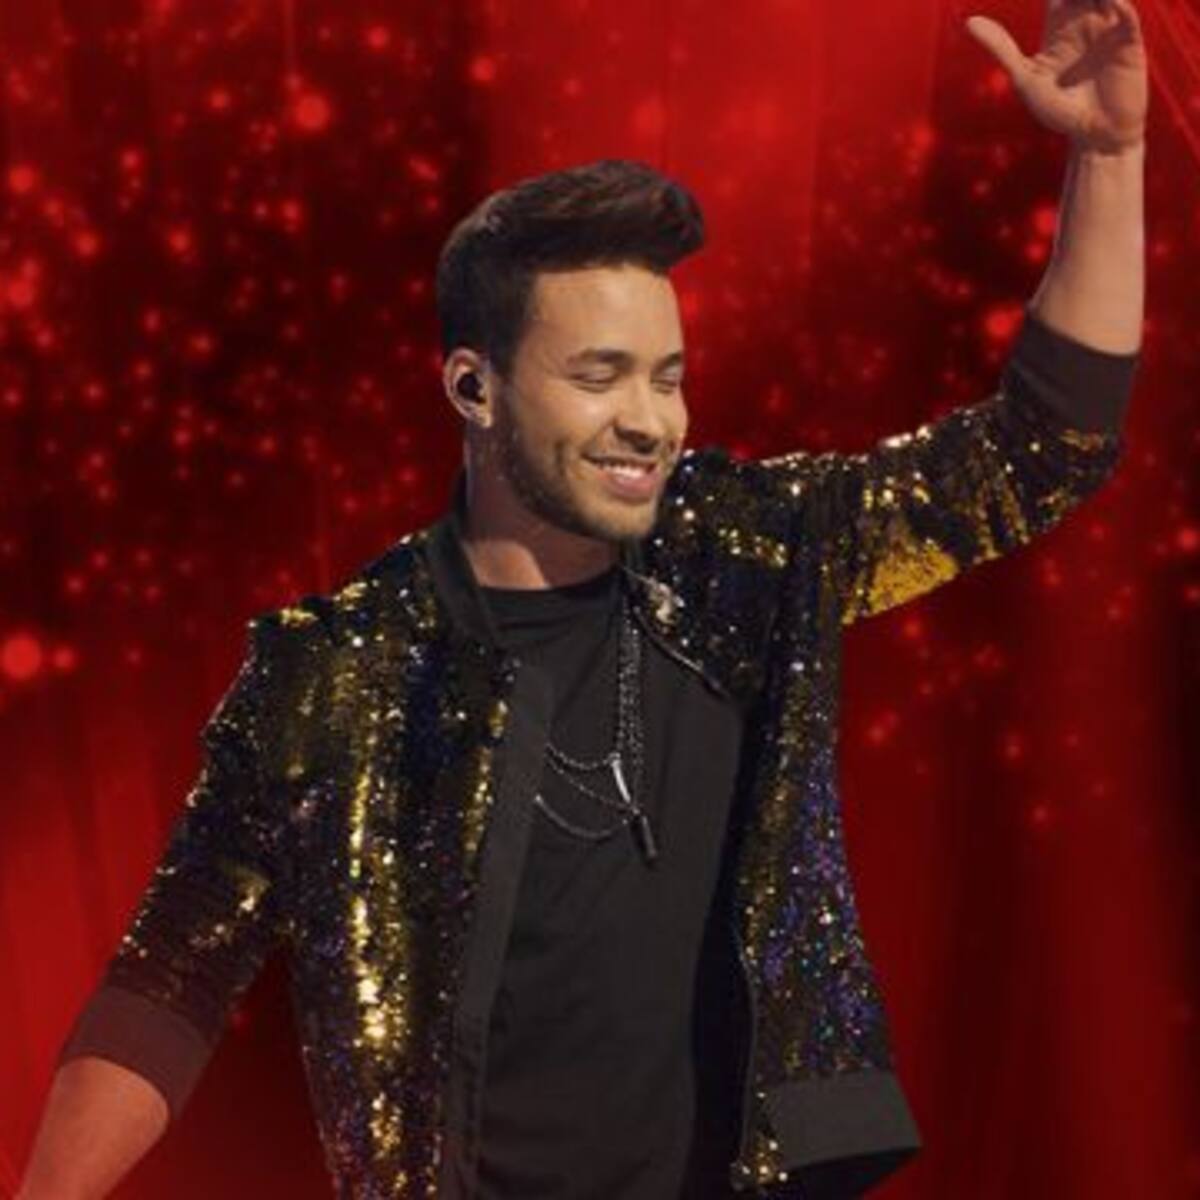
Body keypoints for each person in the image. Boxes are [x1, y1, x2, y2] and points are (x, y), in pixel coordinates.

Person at [18, 5, 1148, 1196]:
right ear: (475, 387)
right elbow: (173, 976)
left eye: (667, 377)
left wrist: (1110, 157)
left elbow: (1037, 452)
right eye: (600, 376)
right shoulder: (334, 671)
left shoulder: (742, 556)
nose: (650, 421)